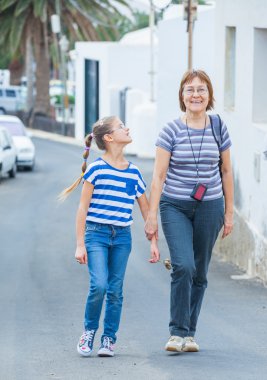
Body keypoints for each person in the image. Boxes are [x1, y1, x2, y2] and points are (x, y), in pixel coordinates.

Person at [145, 69, 234, 353]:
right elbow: (158, 176)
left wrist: (229, 213)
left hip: (211, 206)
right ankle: (176, 332)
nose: (195, 94)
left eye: (201, 89)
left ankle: (190, 333)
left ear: (209, 96)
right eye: (189, 90)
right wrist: (151, 215)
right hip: (175, 205)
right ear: (182, 96)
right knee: (183, 265)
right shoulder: (170, 130)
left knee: (200, 271)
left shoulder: (219, 126)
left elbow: (227, 171)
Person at [59, 116, 159, 358]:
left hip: (122, 237)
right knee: (99, 285)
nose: (128, 128)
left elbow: (146, 211)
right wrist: (80, 244)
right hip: (96, 235)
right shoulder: (96, 169)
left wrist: (153, 242)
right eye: (122, 126)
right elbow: (82, 208)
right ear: (109, 138)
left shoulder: (134, 173)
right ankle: (89, 332)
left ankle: (109, 339)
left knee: (115, 290)